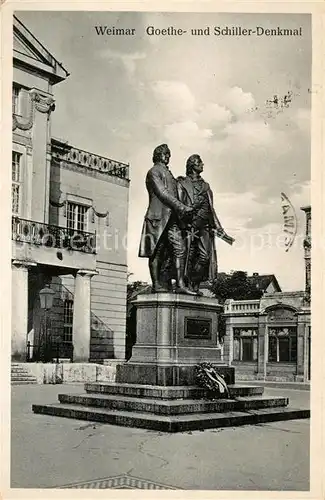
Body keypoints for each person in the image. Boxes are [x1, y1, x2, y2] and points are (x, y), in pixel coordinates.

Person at [138, 144, 196, 294]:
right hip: (157, 219)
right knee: (156, 252)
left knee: (179, 249)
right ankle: (156, 284)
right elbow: (162, 193)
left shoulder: (169, 174)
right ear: (157, 155)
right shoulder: (154, 172)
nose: (167, 156)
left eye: (168, 154)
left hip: (171, 219)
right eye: (164, 154)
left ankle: (180, 285)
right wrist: (181, 207)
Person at [177, 154, 234, 294]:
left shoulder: (206, 186)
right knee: (188, 256)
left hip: (205, 226)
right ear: (191, 165)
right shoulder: (182, 183)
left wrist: (219, 228)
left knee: (205, 257)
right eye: (199, 162)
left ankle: (194, 282)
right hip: (190, 225)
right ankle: (187, 285)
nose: (202, 164)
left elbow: (211, 209)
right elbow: (179, 204)